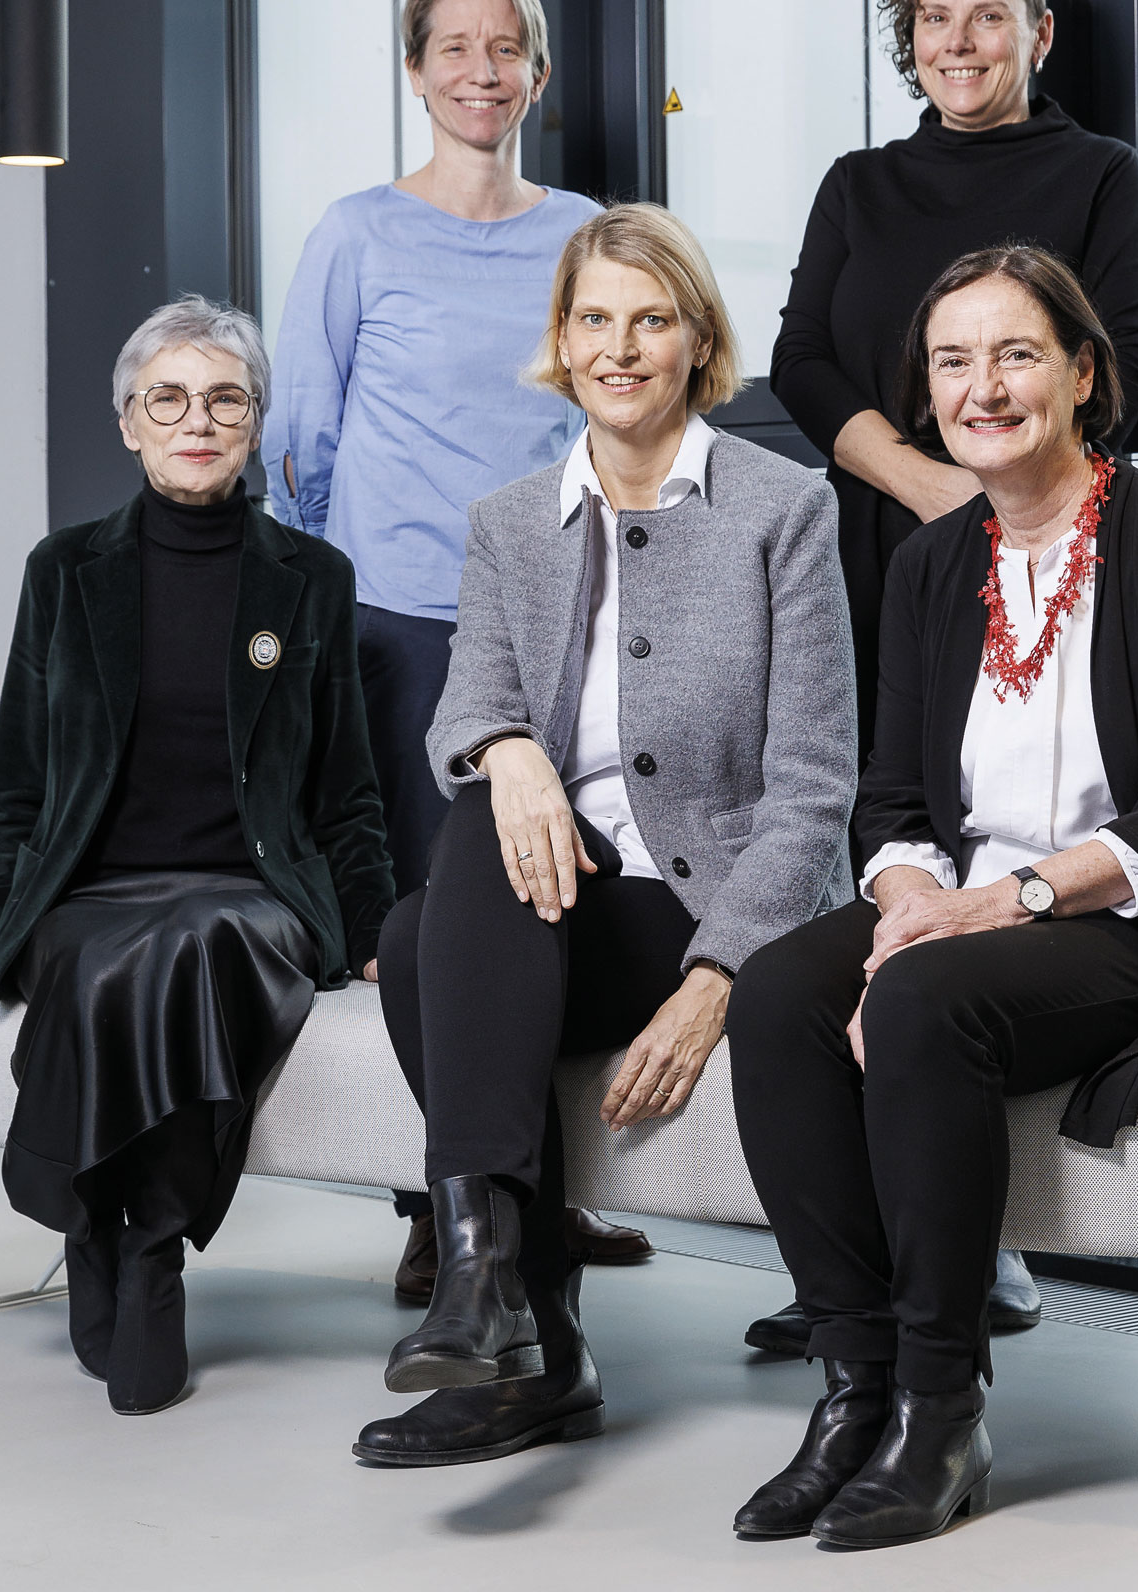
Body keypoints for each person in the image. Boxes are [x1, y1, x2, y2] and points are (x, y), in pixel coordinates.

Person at [725, 246, 1138, 1547]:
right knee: (776, 995)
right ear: (927, 396)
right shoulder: (932, 567)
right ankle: (855, 1385)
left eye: (1018, 353)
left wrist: (986, 912)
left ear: (1085, 375)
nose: (985, 386)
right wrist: (915, 901)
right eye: (954, 360)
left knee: (920, 997)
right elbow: (892, 802)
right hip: (963, 912)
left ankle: (943, 1404)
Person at [354, 204, 856, 1468]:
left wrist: (716, 974)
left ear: (696, 341)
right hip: (550, 890)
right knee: (475, 822)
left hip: (701, 904)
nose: (619, 347)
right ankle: (495, 1293)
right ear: (560, 342)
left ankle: (514, 1318)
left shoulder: (780, 508)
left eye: (650, 319)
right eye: (593, 320)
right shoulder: (510, 519)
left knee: (422, 940)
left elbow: (811, 789)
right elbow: (467, 707)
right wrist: (511, 751)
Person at [755, 0, 1138, 1355]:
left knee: (1009, 843)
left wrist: (998, 493)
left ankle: (963, 1248)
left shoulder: (1096, 174)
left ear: (1039, 33)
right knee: (884, 846)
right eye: (934, 20)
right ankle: (858, 1259)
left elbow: (1133, 368)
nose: (960, 43)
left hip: (1045, 548)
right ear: (908, 41)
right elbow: (801, 361)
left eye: (988, 16)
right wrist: (931, 484)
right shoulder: (860, 185)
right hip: (890, 552)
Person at [0, 296, 394, 1415]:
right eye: (166, 397)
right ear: (129, 423)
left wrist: (373, 931)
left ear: (255, 423)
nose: (196, 418)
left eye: (225, 396)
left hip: (251, 893)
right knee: (99, 952)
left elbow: (347, 794)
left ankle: (148, 1250)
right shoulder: (65, 569)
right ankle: (100, 1224)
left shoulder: (309, 578)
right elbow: (22, 785)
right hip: (94, 889)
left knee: (191, 939)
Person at [264, 0, 649, 1286]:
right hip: (400, 623)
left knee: (562, 899)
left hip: (559, 612)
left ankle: (544, 1186)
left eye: (508, 49)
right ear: (417, 70)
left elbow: (621, 407)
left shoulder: (588, 234)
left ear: (538, 76)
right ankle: (448, 1207)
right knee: (435, 928)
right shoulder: (356, 235)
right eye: (455, 48)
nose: (482, 70)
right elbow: (303, 435)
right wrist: (322, 611)